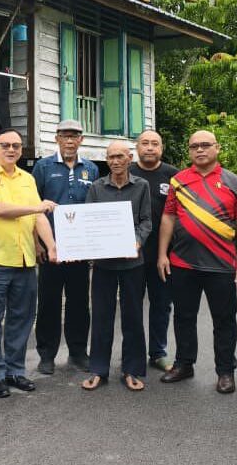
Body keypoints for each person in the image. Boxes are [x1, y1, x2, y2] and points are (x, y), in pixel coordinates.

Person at [157, 130, 237, 394]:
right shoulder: (178, 180)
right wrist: (162, 254)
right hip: (183, 263)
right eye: (194, 146)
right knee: (183, 317)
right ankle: (184, 363)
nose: (200, 150)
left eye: (205, 145)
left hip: (221, 265)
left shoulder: (234, 182)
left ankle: (225, 371)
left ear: (217, 148)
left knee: (224, 320)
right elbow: (168, 218)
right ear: (189, 151)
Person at [0, 128, 59, 398]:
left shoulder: (27, 179)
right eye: (6, 145)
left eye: (17, 146)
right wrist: (38, 208)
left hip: (25, 261)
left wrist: (52, 245)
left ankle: (15, 371)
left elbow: (40, 217)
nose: (12, 150)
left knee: (21, 320)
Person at [81, 141, 153, 392]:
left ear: (129, 158)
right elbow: (88, 223)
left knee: (133, 317)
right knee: (101, 317)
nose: (115, 161)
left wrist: (137, 241)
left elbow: (146, 221)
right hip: (103, 264)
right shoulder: (97, 188)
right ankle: (98, 370)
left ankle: (132, 369)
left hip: (133, 262)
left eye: (120, 156)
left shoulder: (141, 186)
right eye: (110, 157)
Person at [31, 119, 99, 374]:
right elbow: (33, 206)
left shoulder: (91, 169)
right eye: (64, 136)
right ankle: (47, 354)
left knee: (79, 302)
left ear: (81, 139)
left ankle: (78, 352)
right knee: (48, 301)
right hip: (51, 247)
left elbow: (94, 209)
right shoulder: (43, 166)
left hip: (80, 249)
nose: (69, 141)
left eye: (74, 136)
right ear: (56, 138)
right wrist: (37, 242)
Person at [129, 130, 179, 371]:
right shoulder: (125, 173)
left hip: (163, 255)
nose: (150, 148)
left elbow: (181, 215)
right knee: (132, 305)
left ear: (162, 147)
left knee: (161, 304)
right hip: (130, 254)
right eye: (145, 143)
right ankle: (133, 352)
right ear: (136, 147)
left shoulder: (174, 176)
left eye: (155, 144)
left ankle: (158, 352)